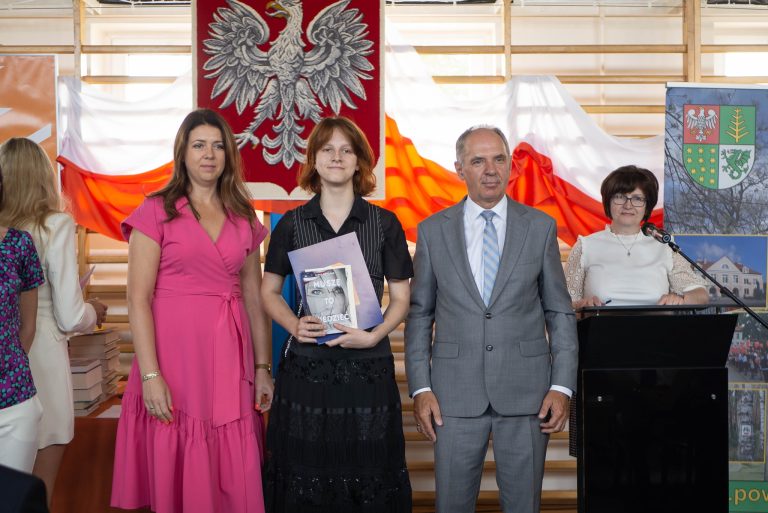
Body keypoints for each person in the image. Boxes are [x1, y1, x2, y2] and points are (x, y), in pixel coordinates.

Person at [405, 125, 578, 513]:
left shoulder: (540, 227)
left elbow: (559, 312)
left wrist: (561, 387)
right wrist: (421, 389)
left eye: (499, 159)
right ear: (459, 169)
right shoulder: (432, 232)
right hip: (451, 396)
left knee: (523, 506)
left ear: (510, 165)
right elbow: (420, 315)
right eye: (478, 161)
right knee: (451, 504)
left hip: (528, 395)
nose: (490, 170)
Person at [111, 109, 273, 513]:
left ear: (228, 154)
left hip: (231, 358)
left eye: (218, 146)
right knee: (179, 451)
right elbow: (137, 299)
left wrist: (262, 367)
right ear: (182, 152)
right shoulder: (156, 210)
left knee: (232, 470)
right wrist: (150, 376)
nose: (209, 155)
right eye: (199, 145)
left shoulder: (242, 214)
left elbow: (254, 298)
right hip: (174, 360)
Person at [261, 116, 413, 512]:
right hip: (308, 370)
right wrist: (293, 324)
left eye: (347, 150)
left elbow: (401, 298)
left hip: (368, 367)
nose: (337, 157)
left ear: (360, 161)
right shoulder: (291, 224)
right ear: (313, 159)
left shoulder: (384, 223)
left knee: (369, 471)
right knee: (307, 474)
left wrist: (375, 334)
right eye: (327, 149)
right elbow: (268, 292)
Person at [0, 137, 108, 505]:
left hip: (8, 357)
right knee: (38, 490)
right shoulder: (56, 224)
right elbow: (70, 313)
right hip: (42, 356)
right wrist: (93, 311)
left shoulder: (6, 234)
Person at [565, 165, 708, 308]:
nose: (628, 205)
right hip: (600, 323)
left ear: (647, 206)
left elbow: (700, 294)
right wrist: (581, 305)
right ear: (608, 202)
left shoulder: (665, 246)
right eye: (620, 197)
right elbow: (563, 304)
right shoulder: (585, 246)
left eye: (637, 199)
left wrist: (681, 299)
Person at [0, 163, 45, 473]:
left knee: (13, 496)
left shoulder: (19, 244)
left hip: (15, 403)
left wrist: (11, 364)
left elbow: (28, 326)